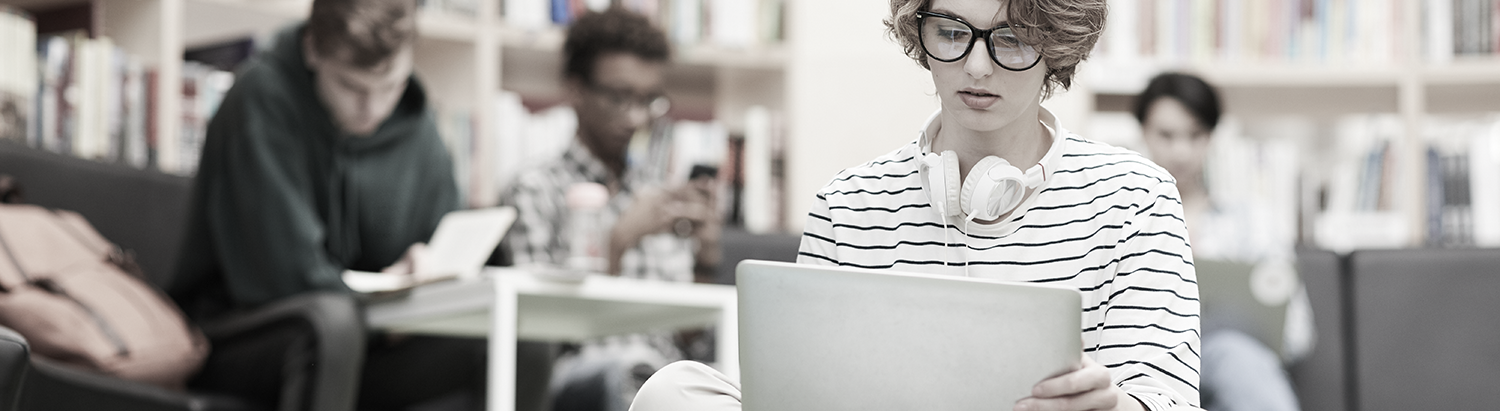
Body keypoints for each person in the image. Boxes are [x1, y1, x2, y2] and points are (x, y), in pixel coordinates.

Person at [629, 0, 1201, 410]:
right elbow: (793, 390)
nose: (978, 66)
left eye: (1013, 38)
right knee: (673, 390)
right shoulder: (847, 202)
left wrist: (1113, 407)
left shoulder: (1135, 196)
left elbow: (1170, 398)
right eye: (952, 32)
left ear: (1055, 47)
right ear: (919, 33)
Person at [169, 0, 547, 410]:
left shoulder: (415, 120)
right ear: (313, 49)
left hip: (367, 335)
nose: (373, 109)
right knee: (332, 324)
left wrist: (430, 277)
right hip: (242, 334)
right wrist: (390, 311)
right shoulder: (259, 97)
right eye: (351, 87)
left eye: (390, 87)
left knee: (525, 341)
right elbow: (285, 278)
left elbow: (443, 244)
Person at [497, 7, 722, 411]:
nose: (635, 117)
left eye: (648, 100)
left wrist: (705, 261)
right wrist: (616, 242)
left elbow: (690, 340)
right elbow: (539, 333)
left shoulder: (660, 197)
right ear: (576, 89)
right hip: (579, 372)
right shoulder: (533, 189)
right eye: (619, 97)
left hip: (665, 381)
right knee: (629, 373)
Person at [1134, 72, 1312, 411]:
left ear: (1212, 137)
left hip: (1233, 363)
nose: (1181, 151)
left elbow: (1297, 333)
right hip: (1144, 364)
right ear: (1143, 132)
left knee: (1234, 357)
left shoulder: (1254, 221)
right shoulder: (1122, 216)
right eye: (1167, 135)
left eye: (1195, 135)